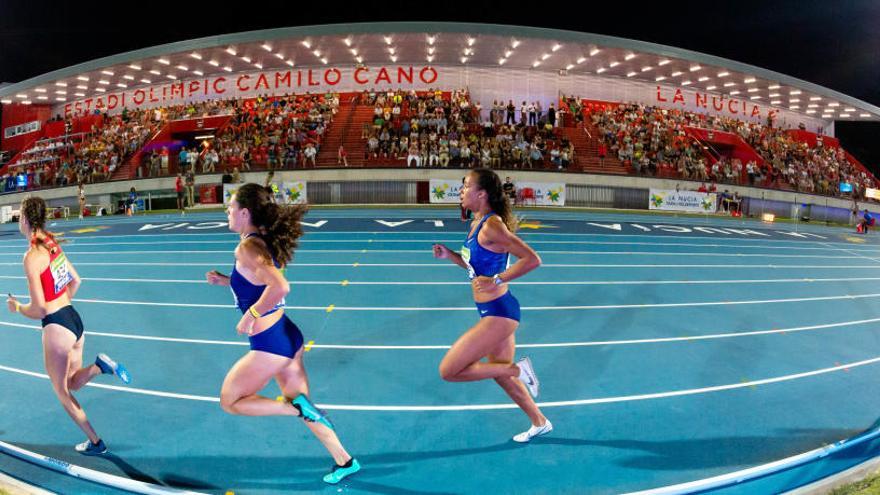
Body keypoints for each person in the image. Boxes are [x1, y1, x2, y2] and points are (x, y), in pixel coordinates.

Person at [205, 184, 360, 484]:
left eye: (231, 207)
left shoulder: (247, 247)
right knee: (307, 406)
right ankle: (345, 460)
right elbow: (257, 283)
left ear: (245, 212)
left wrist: (250, 316)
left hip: (270, 345)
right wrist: (228, 282)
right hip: (288, 335)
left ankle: (293, 410)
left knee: (230, 400)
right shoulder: (259, 241)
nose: (227, 211)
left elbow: (279, 287)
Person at [432, 169, 551, 443]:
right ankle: (540, 422)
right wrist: (450, 256)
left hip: (499, 312)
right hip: (495, 309)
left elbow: (532, 259)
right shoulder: (477, 223)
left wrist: (497, 278)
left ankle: (519, 370)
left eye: (465, 186)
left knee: (449, 370)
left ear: (481, 194)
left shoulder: (491, 226)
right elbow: (477, 269)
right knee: (498, 372)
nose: (460, 191)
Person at [6, 196, 130, 455]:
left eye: (19, 213)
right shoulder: (52, 244)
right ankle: (99, 367)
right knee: (73, 382)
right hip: (74, 320)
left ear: (26, 219)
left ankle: (96, 443)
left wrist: (17, 307)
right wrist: (60, 307)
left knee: (62, 393)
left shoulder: (31, 256)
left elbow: (39, 308)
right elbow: (76, 281)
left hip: (57, 326)